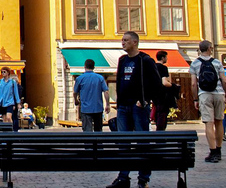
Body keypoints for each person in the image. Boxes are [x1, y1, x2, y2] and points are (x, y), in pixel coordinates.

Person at [106, 31, 162, 188]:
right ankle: (123, 177)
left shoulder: (145, 60)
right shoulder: (122, 60)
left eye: (126, 40)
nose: (122, 43)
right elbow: (119, 81)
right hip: (123, 107)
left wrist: (145, 100)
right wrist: (118, 101)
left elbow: (156, 84)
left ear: (135, 42)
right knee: (123, 143)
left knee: (142, 142)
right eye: (122, 40)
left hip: (139, 107)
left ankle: (143, 179)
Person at [189, 40, 226, 163]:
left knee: (208, 123)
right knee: (219, 122)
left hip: (204, 94)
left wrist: (195, 99)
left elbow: (193, 84)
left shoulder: (195, 64)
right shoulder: (217, 62)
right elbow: (225, 81)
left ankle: (212, 152)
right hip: (219, 94)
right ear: (210, 49)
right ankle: (219, 150)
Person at [73, 59, 110, 132]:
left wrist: (76, 100)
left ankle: (88, 143)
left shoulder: (80, 78)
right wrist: (107, 104)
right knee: (98, 130)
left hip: (86, 109)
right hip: (98, 108)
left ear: (84, 66)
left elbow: (75, 92)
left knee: (87, 131)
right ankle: (98, 143)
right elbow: (106, 91)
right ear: (94, 67)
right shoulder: (100, 78)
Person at [153, 50, 173, 130]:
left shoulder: (153, 66)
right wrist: (172, 85)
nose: (167, 59)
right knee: (162, 113)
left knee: (157, 112)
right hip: (162, 94)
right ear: (162, 58)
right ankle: (160, 131)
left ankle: (158, 126)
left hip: (153, 93)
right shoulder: (163, 68)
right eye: (166, 57)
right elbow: (165, 82)